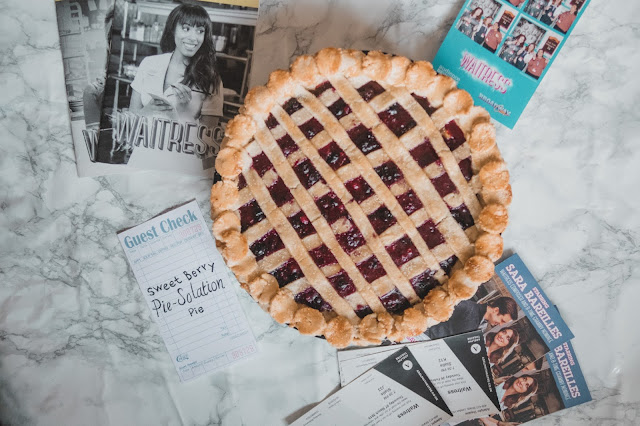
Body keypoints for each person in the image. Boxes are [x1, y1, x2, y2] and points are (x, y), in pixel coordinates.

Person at [129, 4, 223, 128]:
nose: (193, 38)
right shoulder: (149, 64)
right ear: (173, 29)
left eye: (200, 31)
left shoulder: (211, 80)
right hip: (143, 141)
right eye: (186, 28)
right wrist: (146, 112)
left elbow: (208, 136)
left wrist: (184, 113)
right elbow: (129, 121)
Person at [425, 296, 518, 339]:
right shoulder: (468, 307)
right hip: (425, 337)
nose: (501, 325)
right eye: (502, 320)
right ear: (496, 310)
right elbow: (434, 312)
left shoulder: (484, 326)